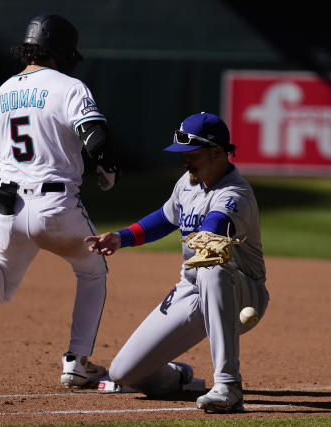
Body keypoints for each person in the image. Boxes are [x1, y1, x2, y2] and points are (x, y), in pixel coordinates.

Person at [0, 13, 120, 388]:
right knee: (93, 271)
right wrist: (107, 168)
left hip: (7, 209)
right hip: (56, 208)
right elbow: (95, 136)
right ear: (63, 52)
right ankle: (76, 362)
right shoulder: (70, 87)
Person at [85, 112, 270, 413]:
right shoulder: (188, 182)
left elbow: (218, 222)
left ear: (217, 152)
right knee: (124, 373)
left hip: (241, 293)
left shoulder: (235, 194)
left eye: (191, 154)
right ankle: (179, 377)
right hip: (191, 289)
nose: (184, 160)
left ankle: (228, 385)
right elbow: (165, 218)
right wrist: (121, 237)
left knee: (211, 266)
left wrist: (209, 233)